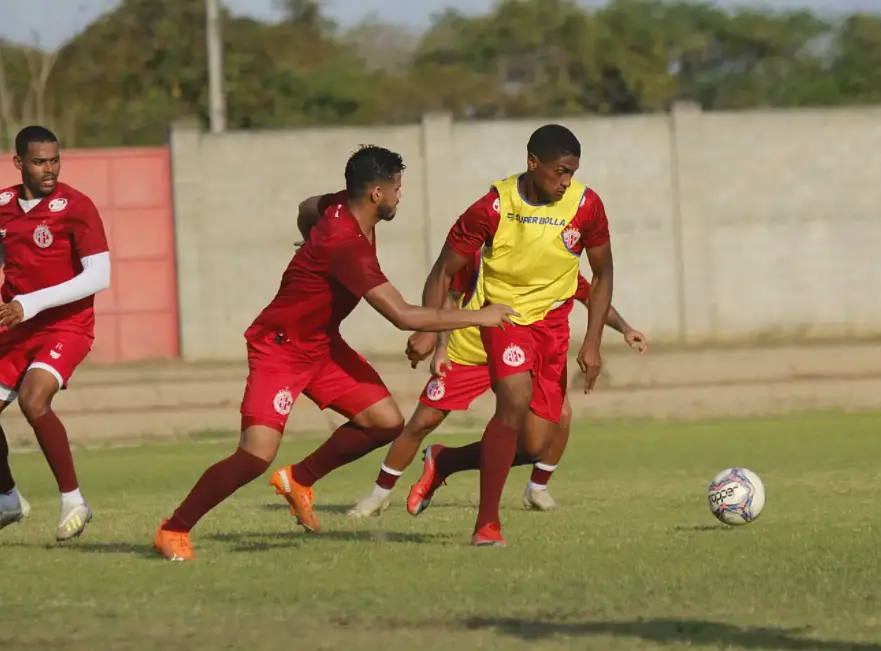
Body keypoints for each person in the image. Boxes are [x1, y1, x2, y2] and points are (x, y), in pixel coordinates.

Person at [153, 145, 516, 561]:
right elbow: (401, 315)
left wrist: (309, 241)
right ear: (377, 193)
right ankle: (174, 528)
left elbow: (306, 208)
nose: (400, 196)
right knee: (255, 456)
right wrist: (479, 316)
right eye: (397, 188)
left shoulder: (340, 205)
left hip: (322, 344)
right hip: (281, 347)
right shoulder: (346, 245)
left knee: (385, 422)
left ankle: (299, 480)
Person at [407, 124, 614, 547]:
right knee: (514, 399)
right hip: (505, 319)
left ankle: (445, 460)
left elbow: (603, 273)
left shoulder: (586, 205)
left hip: (553, 327)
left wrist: (593, 341)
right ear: (533, 163)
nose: (566, 181)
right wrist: (428, 327)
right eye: (560, 171)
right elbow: (443, 271)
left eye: (573, 172)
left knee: (535, 445)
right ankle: (487, 525)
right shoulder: (493, 207)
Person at [345, 251, 645, 519]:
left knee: (553, 424)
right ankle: (379, 494)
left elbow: (591, 296)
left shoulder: (555, 259)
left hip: (519, 355)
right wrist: (440, 346)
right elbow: (450, 295)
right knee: (424, 421)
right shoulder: (482, 252)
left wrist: (625, 328)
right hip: (469, 351)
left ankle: (535, 487)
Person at [0, 125, 111, 541]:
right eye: (39, 162)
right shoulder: (3, 206)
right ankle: (7, 498)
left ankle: (73, 501)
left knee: (34, 399)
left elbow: (99, 276)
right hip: (16, 326)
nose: (49, 169)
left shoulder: (77, 207)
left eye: (54, 160)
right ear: (18, 163)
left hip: (67, 325)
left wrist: (30, 303)